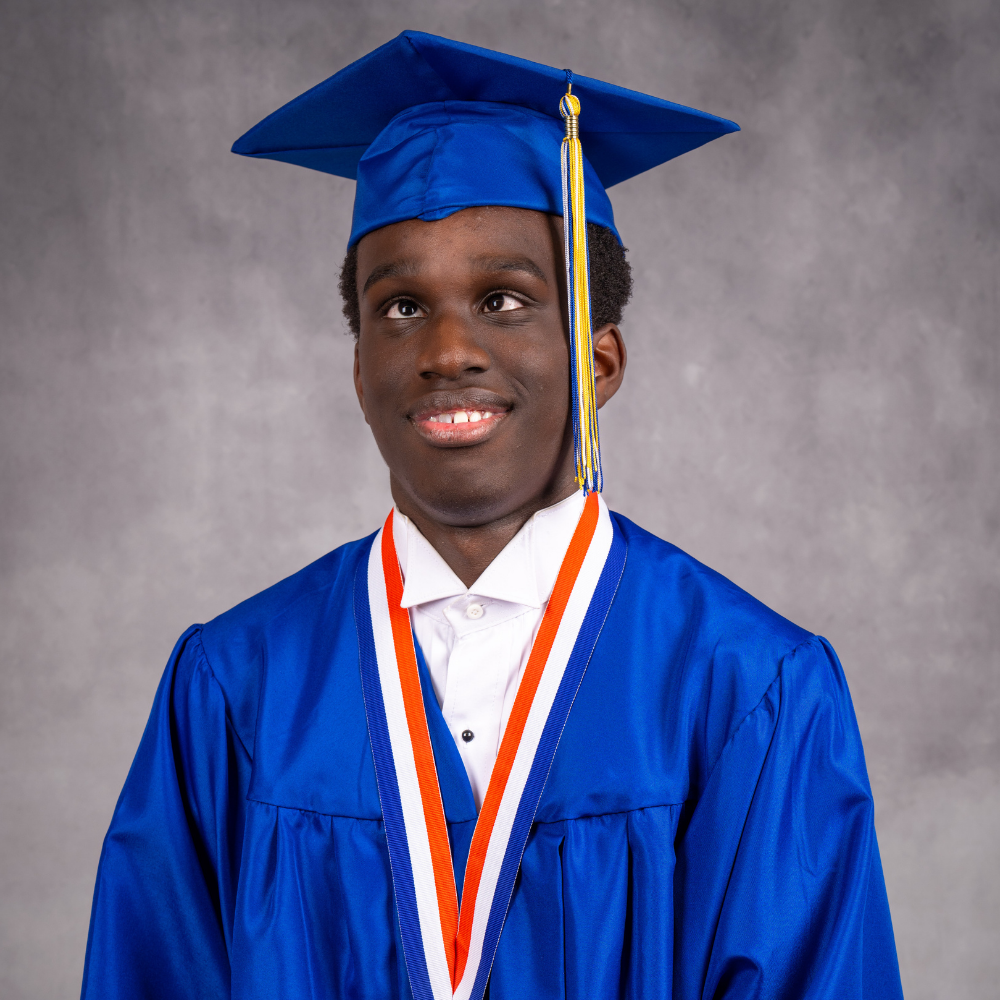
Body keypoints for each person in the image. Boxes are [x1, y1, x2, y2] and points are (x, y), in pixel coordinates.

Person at [81, 30, 904, 1000]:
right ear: (358, 372)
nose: (447, 350)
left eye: (503, 299)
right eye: (401, 309)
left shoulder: (748, 689)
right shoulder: (234, 688)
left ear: (599, 361)